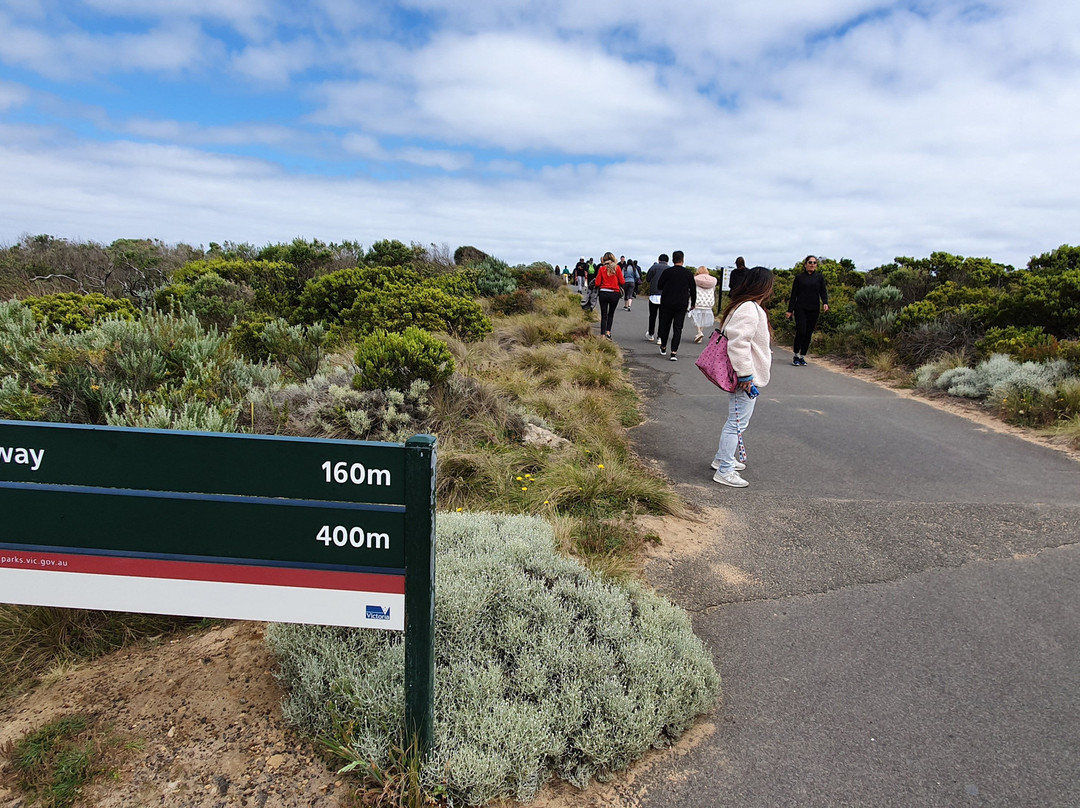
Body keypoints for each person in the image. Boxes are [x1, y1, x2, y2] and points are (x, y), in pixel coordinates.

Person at [711, 266, 774, 487]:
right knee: (737, 423)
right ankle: (724, 469)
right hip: (744, 376)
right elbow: (739, 343)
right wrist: (746, 376)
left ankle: (722, 458)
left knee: (736, 421)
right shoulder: (750, 308)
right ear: (764, 286)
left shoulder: (745, 305)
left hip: (743, 374)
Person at [785, 255, 829, 366]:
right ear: (805, 265)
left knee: (808, 333)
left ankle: (802, 356)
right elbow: (793, 294)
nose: (812, 264)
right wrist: (790, 310)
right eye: (810, 262)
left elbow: (823, 291)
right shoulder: (799, 278)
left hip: (814, 309)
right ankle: (795, 355)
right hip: (800, 308)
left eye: (814, 263)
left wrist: (825, 302)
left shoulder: (819, 277)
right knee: (801, 331)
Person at [655, 250, 696, 361]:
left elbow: (660, 285)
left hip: (667, 302)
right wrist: (693, 303)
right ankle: (673, 352)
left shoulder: (668, 272)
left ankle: (663, 346)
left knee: (665, 325)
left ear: (672, 260)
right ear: (683, 259)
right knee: (678, 327)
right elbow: (693, 289)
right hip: (681, 303)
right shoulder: (688, 273)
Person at [593, 252, 624, 339]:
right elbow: (622, 281)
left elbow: (597, 283)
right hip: (614, 293)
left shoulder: (601, 269)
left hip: (604, 292)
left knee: (604, 314)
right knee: (611, 314)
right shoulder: (617, 268)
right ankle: (608, 332)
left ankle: (602, 335)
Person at [644, 253, 670, 341]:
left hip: (654, 295)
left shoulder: (653, 267)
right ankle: (660, 337)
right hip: (665, 296)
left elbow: (647, 279)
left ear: (659, 260)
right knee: (663, 317)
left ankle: (651, 334)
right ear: (667, 261)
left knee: (652, 315)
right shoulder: (669, 269)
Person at [690, 266, 718, 343]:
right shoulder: (712, 280)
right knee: (703, 318)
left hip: (698, 301)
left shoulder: (695, 279)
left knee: (696, 317)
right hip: (708, 303)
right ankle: (700, 335)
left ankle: (699, 332)